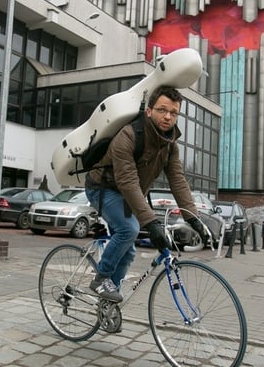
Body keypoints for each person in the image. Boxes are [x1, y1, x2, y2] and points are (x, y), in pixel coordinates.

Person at [84, 86, 208, 303]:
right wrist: (151, 223)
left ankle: (108, 303)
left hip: (127, 193)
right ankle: (100, 279)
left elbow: (177, 179)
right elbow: (127, 181)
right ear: (149, 111)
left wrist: (193, 218)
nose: (168, 116)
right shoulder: (129, 135)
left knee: (129, 251)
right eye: (162, 110)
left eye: (174, 112)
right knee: (129, 230)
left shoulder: (170, 145)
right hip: (102, 188)